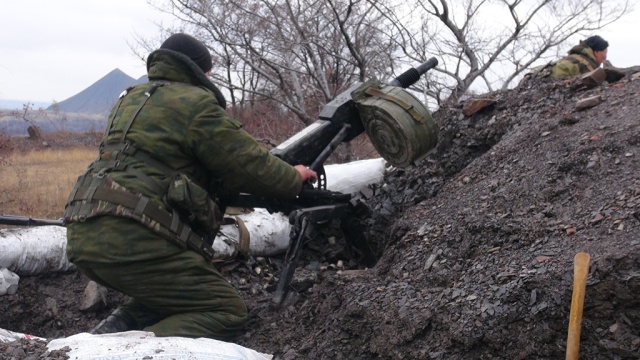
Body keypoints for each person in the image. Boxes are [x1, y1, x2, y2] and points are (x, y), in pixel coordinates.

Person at [63, 33, 317, 340]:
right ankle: (127, 352)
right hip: (132, 238)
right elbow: (250, 165)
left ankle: (103, 339)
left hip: (83, 231)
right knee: (226, 310)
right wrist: (293, 177)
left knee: (165, 299)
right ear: (201, 72)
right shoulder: (196, 104)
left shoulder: (129, 99)